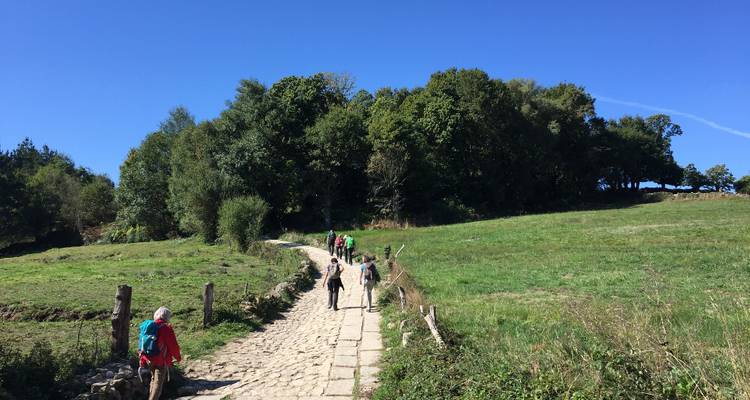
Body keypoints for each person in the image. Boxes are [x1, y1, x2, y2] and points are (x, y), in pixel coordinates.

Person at [140, 307, 181, 400]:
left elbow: (141, 344)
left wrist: (142, 359)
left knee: (153, 380)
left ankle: (151, 397)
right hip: (160, 360)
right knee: (158, 383)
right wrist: (178, 357)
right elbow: (173, 345)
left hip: (148, 358)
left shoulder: (148, 326)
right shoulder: (166, 328)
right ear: (166, 317)